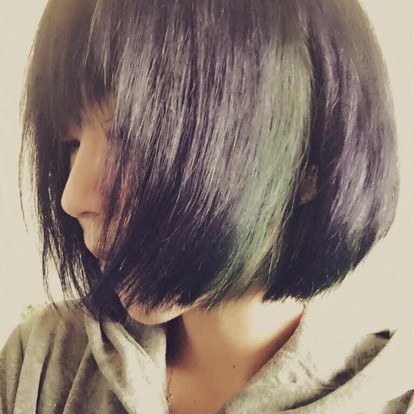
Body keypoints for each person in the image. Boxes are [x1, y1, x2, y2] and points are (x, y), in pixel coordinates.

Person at [1, 0, 413, 413]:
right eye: (72, 144)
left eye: (135, 135)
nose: (72, 198)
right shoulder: (41, 363)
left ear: (305, 165)